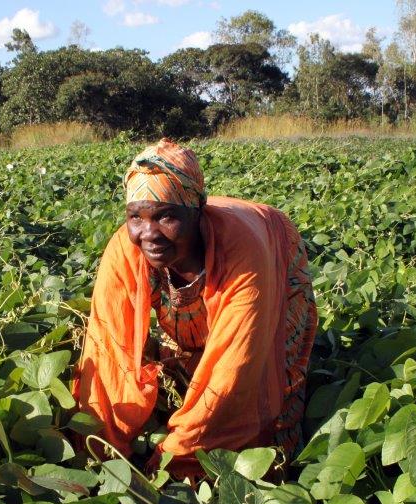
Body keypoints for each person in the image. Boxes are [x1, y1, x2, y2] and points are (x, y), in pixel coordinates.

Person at [73, 139, 316, 480]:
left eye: (166, 217)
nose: (149, 233)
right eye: (135, 217)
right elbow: (107, 348)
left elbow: (235, 369)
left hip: (271, 242)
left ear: (198, 211)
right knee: (191, 359)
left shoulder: (245, 255)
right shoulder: (125, 250)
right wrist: (102, 447)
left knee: (263, 370)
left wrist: (173, 461)